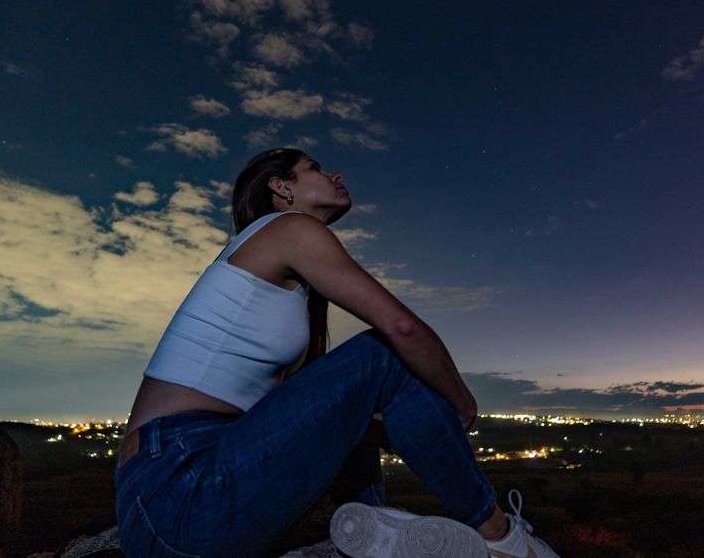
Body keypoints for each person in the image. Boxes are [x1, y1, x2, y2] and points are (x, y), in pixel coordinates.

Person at [114, 148, 558, 558]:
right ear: (281, 188)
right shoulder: (288, 228)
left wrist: (414, 431)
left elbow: (311, 419)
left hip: (170, 507)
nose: (335, 174)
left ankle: (374, 525)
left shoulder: (276, 272)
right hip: (179, 490)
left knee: (355, 408)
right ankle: (501, 536)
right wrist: (461, 404)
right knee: (381, 353)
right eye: (314, 168)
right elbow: (401, 327)